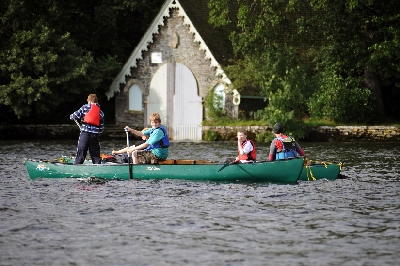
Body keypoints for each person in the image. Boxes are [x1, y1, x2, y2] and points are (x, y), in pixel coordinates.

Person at [70, 94, 105, 164]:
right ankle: (98, 168)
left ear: (88, 101)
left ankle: (76, 167)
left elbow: (74, 116)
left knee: (81, 153)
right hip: (95, 136)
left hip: (85, 134)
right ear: (97, 102)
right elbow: (101, 127)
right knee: (95, 155)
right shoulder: (101, 113)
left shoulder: (85, 107)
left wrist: (72, 116)